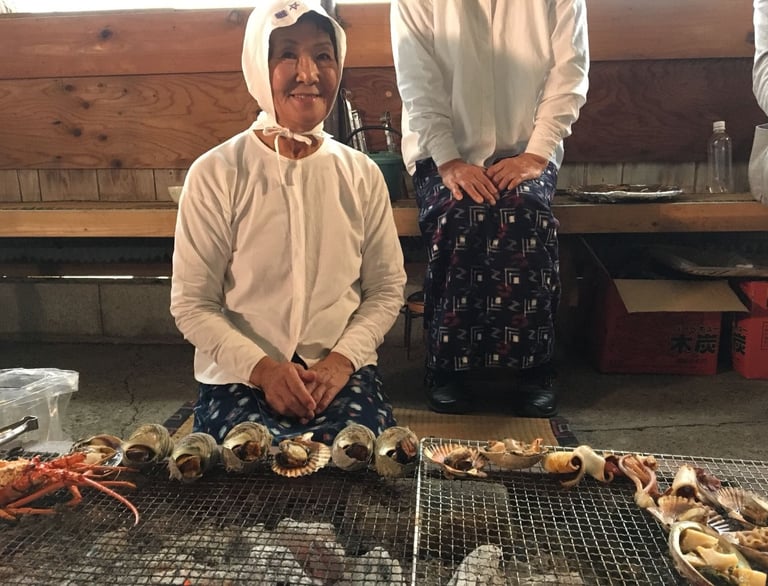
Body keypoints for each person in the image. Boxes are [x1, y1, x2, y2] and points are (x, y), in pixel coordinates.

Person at [170, 0, 407, 446]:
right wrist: (265, 371)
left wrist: (341, 361)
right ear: (258, 66)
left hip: (336, 373)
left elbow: (386, 289)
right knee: (244, 458)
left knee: (359, 455)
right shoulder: (217, 172)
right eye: (287, 54)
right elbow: (193, 304)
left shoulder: (361, 174)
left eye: (323, 55)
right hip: (240, 375)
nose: (308, 73)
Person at [390, 0, 589, 417]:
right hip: (441, 151)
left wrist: (536, 154)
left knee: (526, 211)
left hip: (528, 150)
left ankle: (534, 367)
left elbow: (569, 73)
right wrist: (449, 160)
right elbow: (417, 80)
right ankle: (446, 366)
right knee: (458, 212)